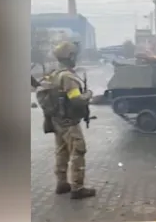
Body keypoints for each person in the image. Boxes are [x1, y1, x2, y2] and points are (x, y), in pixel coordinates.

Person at [49, 41, 96, 199]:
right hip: (69, 122)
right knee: (78, 151)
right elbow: (76, 99)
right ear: (70, 56)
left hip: (57, 121)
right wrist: (88, 94)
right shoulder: (68, 77)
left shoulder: (55, 74)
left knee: (61, 152)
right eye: (74, 55)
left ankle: (62, 184)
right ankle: (78, 188)